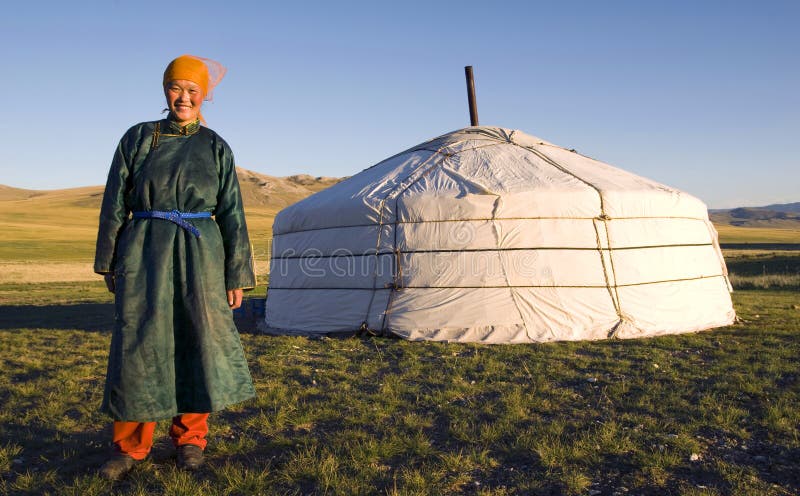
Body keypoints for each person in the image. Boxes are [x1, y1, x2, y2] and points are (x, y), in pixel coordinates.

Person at [93, 54, 256, 481]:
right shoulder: (138, 138)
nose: (183, 97)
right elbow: (114, 201)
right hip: (144, 250)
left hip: (201, 253)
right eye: (175, 87)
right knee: (139, 344)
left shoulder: (215, 146)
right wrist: (108, 259)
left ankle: (190, 441)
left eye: (192, 90)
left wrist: (237, 273)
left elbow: (233, 212)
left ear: (205, 95)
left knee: (196, 340)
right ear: (165, 90)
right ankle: (131, 446)